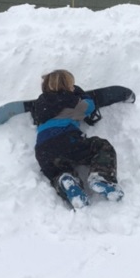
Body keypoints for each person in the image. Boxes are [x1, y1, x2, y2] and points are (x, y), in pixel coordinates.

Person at [33, 69, 123, 208]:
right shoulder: (72, 101)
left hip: (43, 151)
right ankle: (101, 178)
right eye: (71, 85)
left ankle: (65, 181)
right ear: (67, 86)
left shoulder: (39, 106)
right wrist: (80, 93)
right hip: (66, 140)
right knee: (101, 147)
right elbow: (89, 107)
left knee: (58, 171)